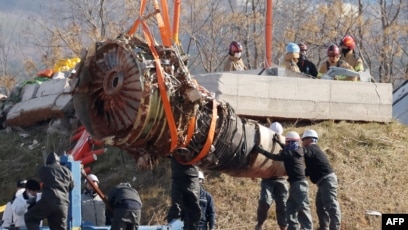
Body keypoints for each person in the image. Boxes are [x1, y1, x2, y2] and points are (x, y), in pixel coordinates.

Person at [254, 131, 313, 230]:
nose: (285, 145)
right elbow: (287, 149)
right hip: (297, 184)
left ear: (290, 143)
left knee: (302, 208)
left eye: (287, 143)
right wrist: (278, 142)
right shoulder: (299, 150)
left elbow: (274, 156)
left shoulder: (288, 153)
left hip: (298, 185)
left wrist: (261, 150)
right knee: (290, 207)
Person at [301, 130, 341, 230]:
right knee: (320, 205)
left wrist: (293, 149)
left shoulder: (312, 148)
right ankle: (324, 227)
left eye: (304, 139)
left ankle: (335, 228)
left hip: (327, 180)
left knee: (330, 204)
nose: (302, 141)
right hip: (324, 182)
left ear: (310, 139)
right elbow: (309, 170)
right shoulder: (313, 151)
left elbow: (303, 152)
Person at [24, 152, 74, 230]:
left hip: (48, 202)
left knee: (30, 218)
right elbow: (71, 187)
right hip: (63, 205)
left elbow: (42, 175)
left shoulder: (44, 169)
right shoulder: (67, 172)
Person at [255, 122, 288, 230]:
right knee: (265, 201)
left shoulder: (286, 143)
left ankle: (283, 226)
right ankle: (260, 223)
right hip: (267, 178)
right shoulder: (264, 141)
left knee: (282, 204)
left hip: (281, 179)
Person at [167, 157, 201, 230]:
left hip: (191, 177)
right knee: (177, 209)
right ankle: (174, 227)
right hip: (180, 177)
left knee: (193, 210)